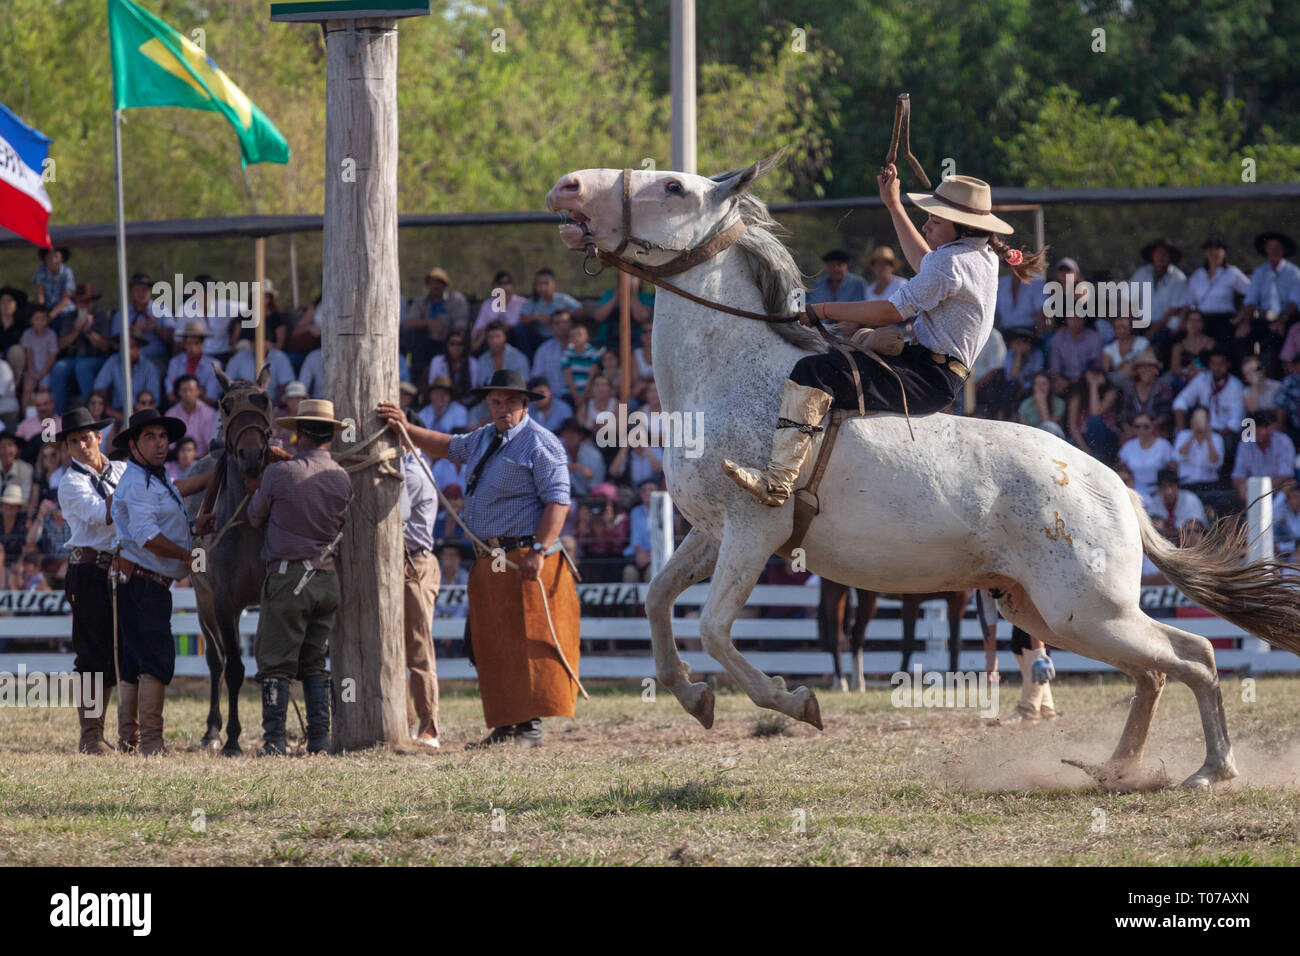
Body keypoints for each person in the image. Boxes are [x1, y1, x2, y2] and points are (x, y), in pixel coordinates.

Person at [726, 169, 1047, 505]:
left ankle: (778, 482)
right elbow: (927, 264)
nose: (926, 226)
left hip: (927, 377)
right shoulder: (976, 253)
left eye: (934, 222)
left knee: (812, 372)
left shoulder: (952, 262)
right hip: (930, 370)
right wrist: (894, 205)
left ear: (961, 226)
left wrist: (821, 310)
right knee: (850, 349)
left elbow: (892, 312)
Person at [377, 368, 577, 751]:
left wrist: (539, 549)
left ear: (524, 405)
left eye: (509, 403)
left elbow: (558, 501)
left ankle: (529, 726)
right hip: (489, 555)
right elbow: (444, 445)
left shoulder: (541, 443)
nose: (502, 409)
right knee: (487, 642)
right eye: (496, 402)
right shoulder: (484, 438)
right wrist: (404, 427)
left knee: (522, 639)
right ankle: (505, 722)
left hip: (519, 552)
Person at [245, 399, 352, 756]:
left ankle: (275, 740)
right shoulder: (342, 477)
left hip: (289, 579)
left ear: (301, 434)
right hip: (325, 578)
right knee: (315, 664)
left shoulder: (280, 474)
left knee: (275, 663)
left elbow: (255, 515)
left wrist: (275, 472)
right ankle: (320, 738)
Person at [109, 408, 212, 756]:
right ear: (134, 445)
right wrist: (186, 554)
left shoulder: (156, 477)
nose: (159, 443)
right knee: (155, 657)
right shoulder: (137, 481)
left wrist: (195, 527)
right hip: (143, 581)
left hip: (141, 579)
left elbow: (172, 503)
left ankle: (130, 738)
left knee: (137, 659)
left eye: (163, 436)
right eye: (150, 437)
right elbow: (148, 535)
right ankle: (149, 741)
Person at [56, 407, 128, 754]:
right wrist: (138, 491)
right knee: (91, 652)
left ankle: (110, 731)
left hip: (120, 567)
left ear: (99, 438)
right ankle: (90, 734)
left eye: (87, 437)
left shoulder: (122, 470)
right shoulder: (70, 482)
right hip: (87, 570)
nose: (83, 445)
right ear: (68, 448)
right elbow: (102, 514)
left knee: (119, 650)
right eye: (75, 441)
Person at [398, 440, 442, 748]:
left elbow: (394, 519)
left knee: (416, 644)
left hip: (412, 562)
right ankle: (407, 722)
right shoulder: (414, 467)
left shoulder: (410, 474)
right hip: (410, 561)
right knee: (406, 646)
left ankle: (429, 725)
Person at [50, 284, 112, 415]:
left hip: (96, 358)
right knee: (59, 368)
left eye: (87, 301)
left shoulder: (102, 316)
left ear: (93, 302)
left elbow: (105, 345)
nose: (83, 305)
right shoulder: (69, 317)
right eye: (80, 302)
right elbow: (61, 344)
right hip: (72, 359)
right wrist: (77, 330)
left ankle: (89, 413)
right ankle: (58, 415)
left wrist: (88, 330)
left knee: (83, 367)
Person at [114, 273, 175, 377]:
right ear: (131, 292)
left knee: (151, 372)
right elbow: (114, 344)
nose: (141, 293)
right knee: (113, 371)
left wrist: (157, 328)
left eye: (145, 289)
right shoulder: (122, 314)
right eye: (137, 290)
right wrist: (134, 332)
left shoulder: (161, 310)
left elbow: (173, 338)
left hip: (156, 357)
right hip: (127, 359)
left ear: (151, 291)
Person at [91, 332, 163, 419]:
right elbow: (99, 386)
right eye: (124, 346)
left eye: (131, 346)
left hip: (141, 413)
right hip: (116, 412)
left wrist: (135, 414)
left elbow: (154, 400)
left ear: (139, 348)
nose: (127, 350)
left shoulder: (149, 367)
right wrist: (108, 407)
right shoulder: (113, 361)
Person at [1231, 409, 1295, 503]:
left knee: (1289, 485)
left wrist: (1262, 490)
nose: (1263, 431)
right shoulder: (1245, 443)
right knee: (1241, 488)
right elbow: (1237, 476)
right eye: (1260, 427)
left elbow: (1286, 475)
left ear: (1273, 427)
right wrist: (1242, 485)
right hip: (1252, 493)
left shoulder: (1284, 442)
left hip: (1278, 492)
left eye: (1266, 427)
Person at [1129, 237, 1187, 337]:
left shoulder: (1178, 278)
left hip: (1165, 325)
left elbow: (1175, 310)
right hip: (1141, 323)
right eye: (1158, 253)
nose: (1161, 256)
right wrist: (1131, 324)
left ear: (1170, 256)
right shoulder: (1141, 273)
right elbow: (1130, 299)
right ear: (1152, 255)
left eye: (1165, 253)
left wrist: (1153, 331)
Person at [164, 321, 223, 405]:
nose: (193, 347)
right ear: (184, 343)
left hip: (205, 409)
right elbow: (170, 395)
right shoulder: (175, 362)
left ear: (202, 344)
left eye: (197, 343)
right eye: (189, 343)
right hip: (178, 408)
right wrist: (200, 392)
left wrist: (183, 393)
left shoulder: (214, 365)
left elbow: (212, 397)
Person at [1146, 467, 1208, 541]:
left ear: (1177, 485)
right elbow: (1152, 526)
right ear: (1159, 488)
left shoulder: (1190, 499)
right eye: (1164, 486)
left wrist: (1167, 530)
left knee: (1192, 532)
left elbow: (1196, 527)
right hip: (1164, 544)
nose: (1168, 491)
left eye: (1171, 485)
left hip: (1190, 545)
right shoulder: (1155, 500)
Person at [164, 374, 218, 458]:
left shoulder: (210, 413)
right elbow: (168, 446)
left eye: (191, 390)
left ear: (198, 391)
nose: (188, 394)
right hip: (176, 461)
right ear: (179, 392)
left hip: (203, 461)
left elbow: (211, 446)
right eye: (184, 390)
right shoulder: (170, 414)